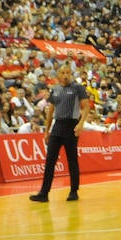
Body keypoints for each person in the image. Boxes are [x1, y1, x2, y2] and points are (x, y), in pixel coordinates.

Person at [28, 63, 93, 202]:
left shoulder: (78, 88)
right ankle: (44, 193)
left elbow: (86, 107)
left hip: (71, 125)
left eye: (68, 73)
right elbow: (51, 111)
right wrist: (47, 131)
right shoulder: (55, 89)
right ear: (58, 75)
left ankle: (74, 191)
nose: (65, 75)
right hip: (57, 126)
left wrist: (81, 123)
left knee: (72, 160)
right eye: (62, 73)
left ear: (71, 74)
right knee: (50, 160)